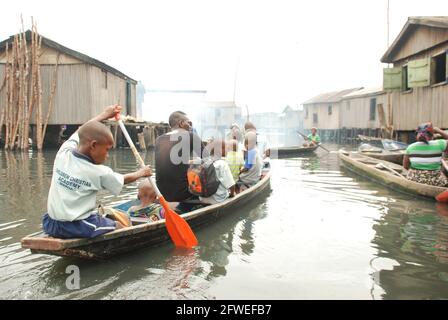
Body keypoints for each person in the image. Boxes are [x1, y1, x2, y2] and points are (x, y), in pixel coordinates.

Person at [42, 105, 152, 239]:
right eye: (106, 150)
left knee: (102, 215)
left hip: (51, 223)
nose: (107, 156)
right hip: (77, 226)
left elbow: (81, 131)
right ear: (93, 145)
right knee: (118, 226)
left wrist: (104, 115)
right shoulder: (98, 172)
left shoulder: (64, 152)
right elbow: (123, 180)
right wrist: (141, 173)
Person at [155, 111, 209, 212]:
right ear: (181, 123)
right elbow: (207, 160)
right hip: (183, 194)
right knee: (207, 169)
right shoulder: (191, 136)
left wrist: (190, 162)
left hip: (161, 193)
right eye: (189, 123)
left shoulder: (159, 139)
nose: (190, 126)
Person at [403, 122, 448, 187]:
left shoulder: (410, 147)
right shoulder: (440, 144)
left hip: (414, 179)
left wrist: (419, 171)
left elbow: (405, 166)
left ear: (417, 135)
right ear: (432, 135)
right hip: (436, 181)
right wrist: (439, 131)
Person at [199, 139, 235, 204]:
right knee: (233, 192)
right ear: (220, 150)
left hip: (202, 198)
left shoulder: (204, 160)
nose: (228, 151)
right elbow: (231, 185)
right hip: (217, 200)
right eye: (227, 148)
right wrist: (232, 195)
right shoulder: (222, 164)